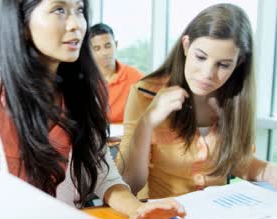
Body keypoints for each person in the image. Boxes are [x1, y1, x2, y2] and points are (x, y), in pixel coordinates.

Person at [0, 0, 185, 219]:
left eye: (79, 10)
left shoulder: (82, 96)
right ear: (23, 25)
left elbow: (107, 179)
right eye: (59, 9)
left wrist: (137, 208)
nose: (76, 24)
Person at [117, 3, 277, 200]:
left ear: (239, 62)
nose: (207, 74)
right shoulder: (145, 93)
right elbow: (129, 183)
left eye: (223, 65)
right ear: (186, 45)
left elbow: (237, 163)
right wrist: (147, 123)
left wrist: (269, 171)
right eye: (200, 57)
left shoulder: (236, 98)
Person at [89, 23, 143, 123]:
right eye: (97, 48)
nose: (104, 53)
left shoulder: (135, 77)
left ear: (116, 45)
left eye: (108, 46)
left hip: (125, 136)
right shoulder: (84, 80)